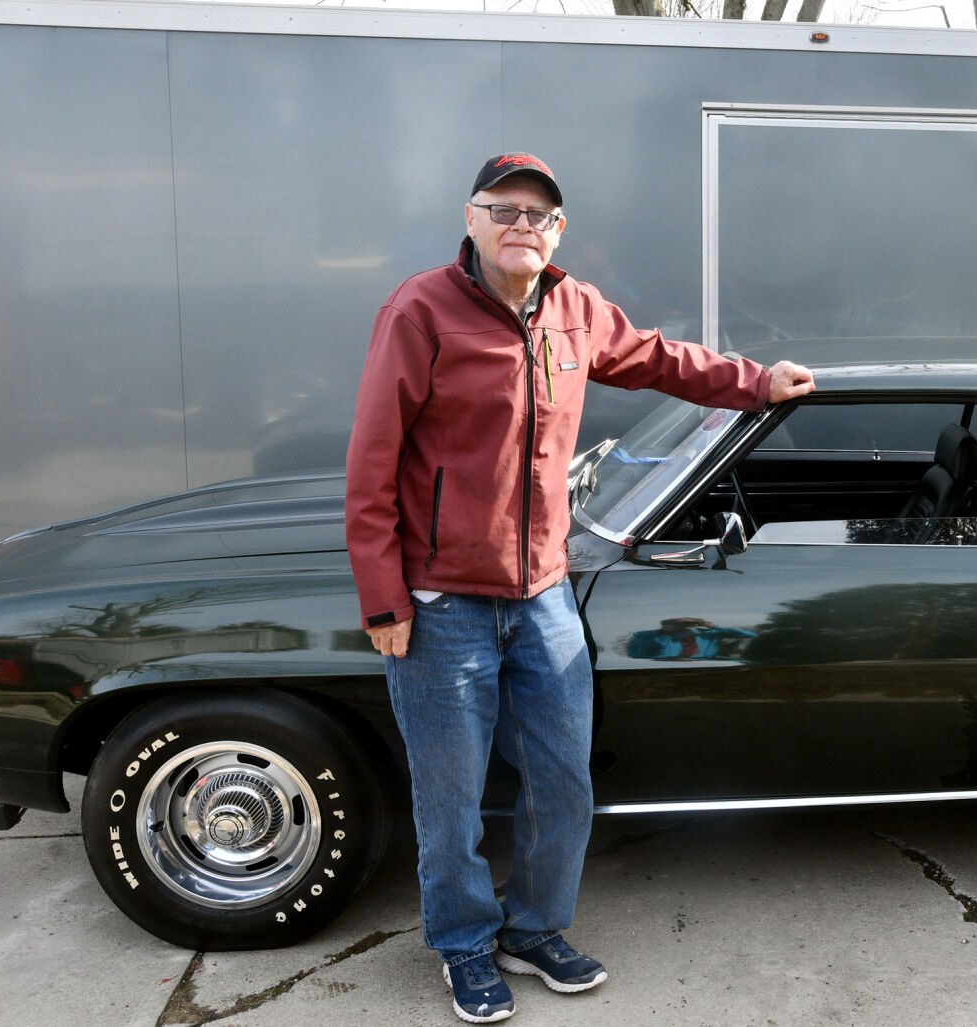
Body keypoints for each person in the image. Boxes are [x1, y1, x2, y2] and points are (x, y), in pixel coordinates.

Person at [345, 152, 814, 1024]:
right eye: (506, 209)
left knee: (562, 781)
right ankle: (462, 943)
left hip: (544, 594)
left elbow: (658, 360)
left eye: (541, 213)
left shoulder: (574, 308)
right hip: (443, 602)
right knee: (448, 794)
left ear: (558, 229)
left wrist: (756, 381)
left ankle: (534, 929)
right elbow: (372, 460)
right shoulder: (421, 309)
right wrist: (385, 598)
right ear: (473, 219)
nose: (524, 224)